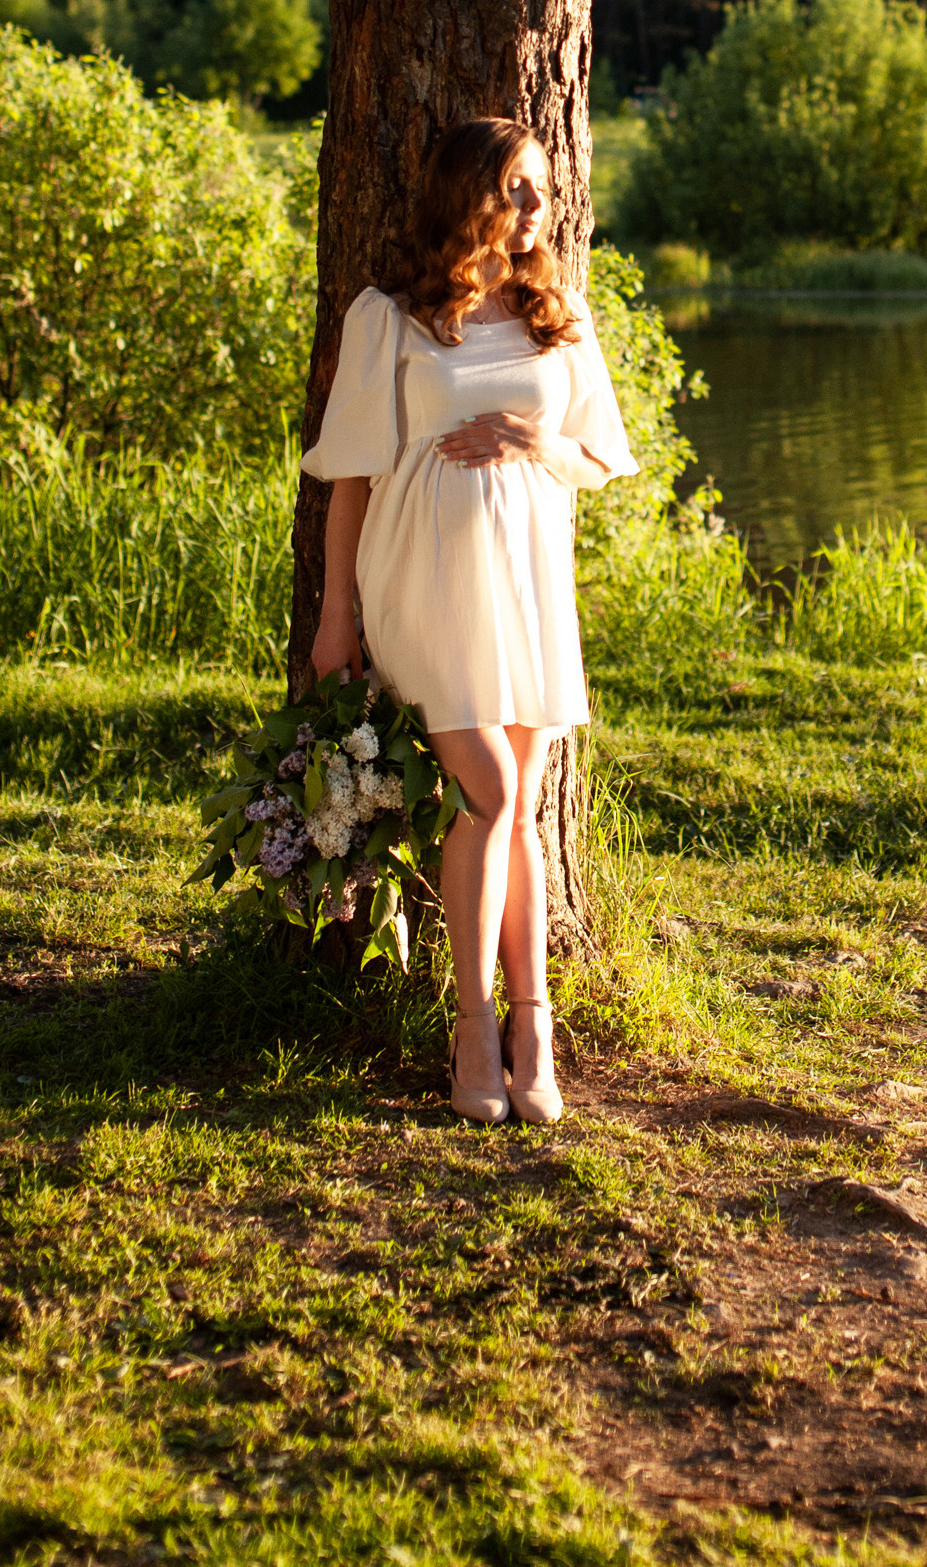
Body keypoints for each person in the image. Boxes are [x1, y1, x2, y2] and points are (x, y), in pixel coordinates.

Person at [302, 116, 638, 1125]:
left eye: (542, 188)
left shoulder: (556, 314)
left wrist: (536, 441)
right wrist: (334, 616)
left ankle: (534, 1032)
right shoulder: (389, 316)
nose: (538, 205)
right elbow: (348, 477)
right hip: (423, 574)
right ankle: (474, 1024)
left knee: (520, 803)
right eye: (516, 188)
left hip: (528, 578)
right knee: (489, 792)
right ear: (466, 195)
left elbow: (599, 458)